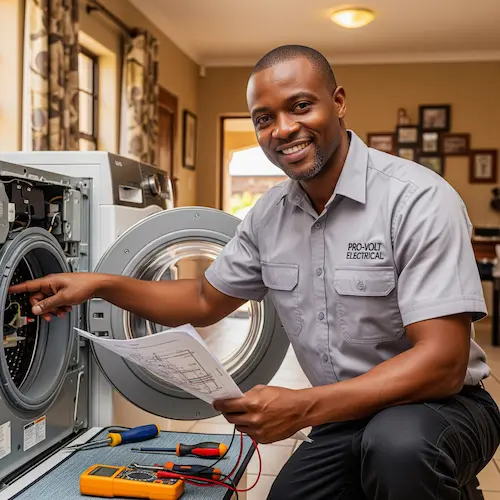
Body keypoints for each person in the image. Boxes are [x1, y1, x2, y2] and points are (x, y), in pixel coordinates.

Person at [10, 45, 500, 499]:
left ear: (339, 102)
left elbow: (443, 361)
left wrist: (305, 407)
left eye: (301, 106)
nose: (282, 129)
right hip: (347, 416)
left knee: (398, 450)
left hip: (443, 407)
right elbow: (204, 301)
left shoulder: (417, 199)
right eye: (264, 118)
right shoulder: (270, 215)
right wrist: (99, 284)